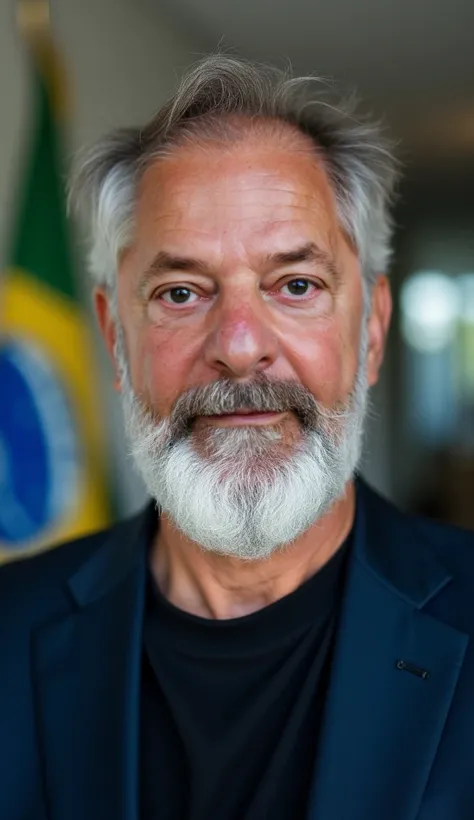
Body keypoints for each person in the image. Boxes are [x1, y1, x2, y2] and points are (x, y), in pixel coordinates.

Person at [1, 53, 474, 820]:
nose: (242, 343)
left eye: (296, 285)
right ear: (114, 336)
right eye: (181, 293)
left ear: (374, 329)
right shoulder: (8, 633)